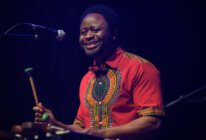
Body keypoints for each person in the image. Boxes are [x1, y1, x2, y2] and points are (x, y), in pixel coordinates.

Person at [33, 5, 165, 139]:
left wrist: (100, 133)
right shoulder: (87, 79)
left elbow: (152, 123)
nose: (88, 36)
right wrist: (56, 125)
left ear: (113, 33)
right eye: (83, 32)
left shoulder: (140, 67)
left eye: (95, 30)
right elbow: (80, 129)